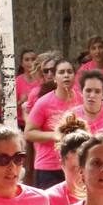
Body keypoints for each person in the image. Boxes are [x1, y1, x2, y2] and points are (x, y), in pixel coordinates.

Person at [24, 57, 81, 187]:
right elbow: (29, 133)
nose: (66, 75)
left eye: (69, 72)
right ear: (55, 77)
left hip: (77, 165)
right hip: (49, 166)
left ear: (74, 76)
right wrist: (54, 135)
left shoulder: (82, 99)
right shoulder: (43, 102)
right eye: (61, 72)